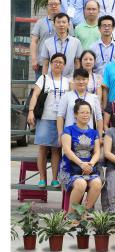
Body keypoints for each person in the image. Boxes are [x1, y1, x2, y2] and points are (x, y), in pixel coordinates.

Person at [28, 53, 69, 187]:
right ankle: (42, 178)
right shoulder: (43, 78)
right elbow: (35, 95)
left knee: (57, 149)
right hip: (45, 118)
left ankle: (55, 179)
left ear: (64, 65)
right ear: (51, 64)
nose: (58, 64)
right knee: (43, 148)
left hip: (61, 120)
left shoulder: (67, 81)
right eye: (55, 61)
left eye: (61, 62)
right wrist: (30, 111)